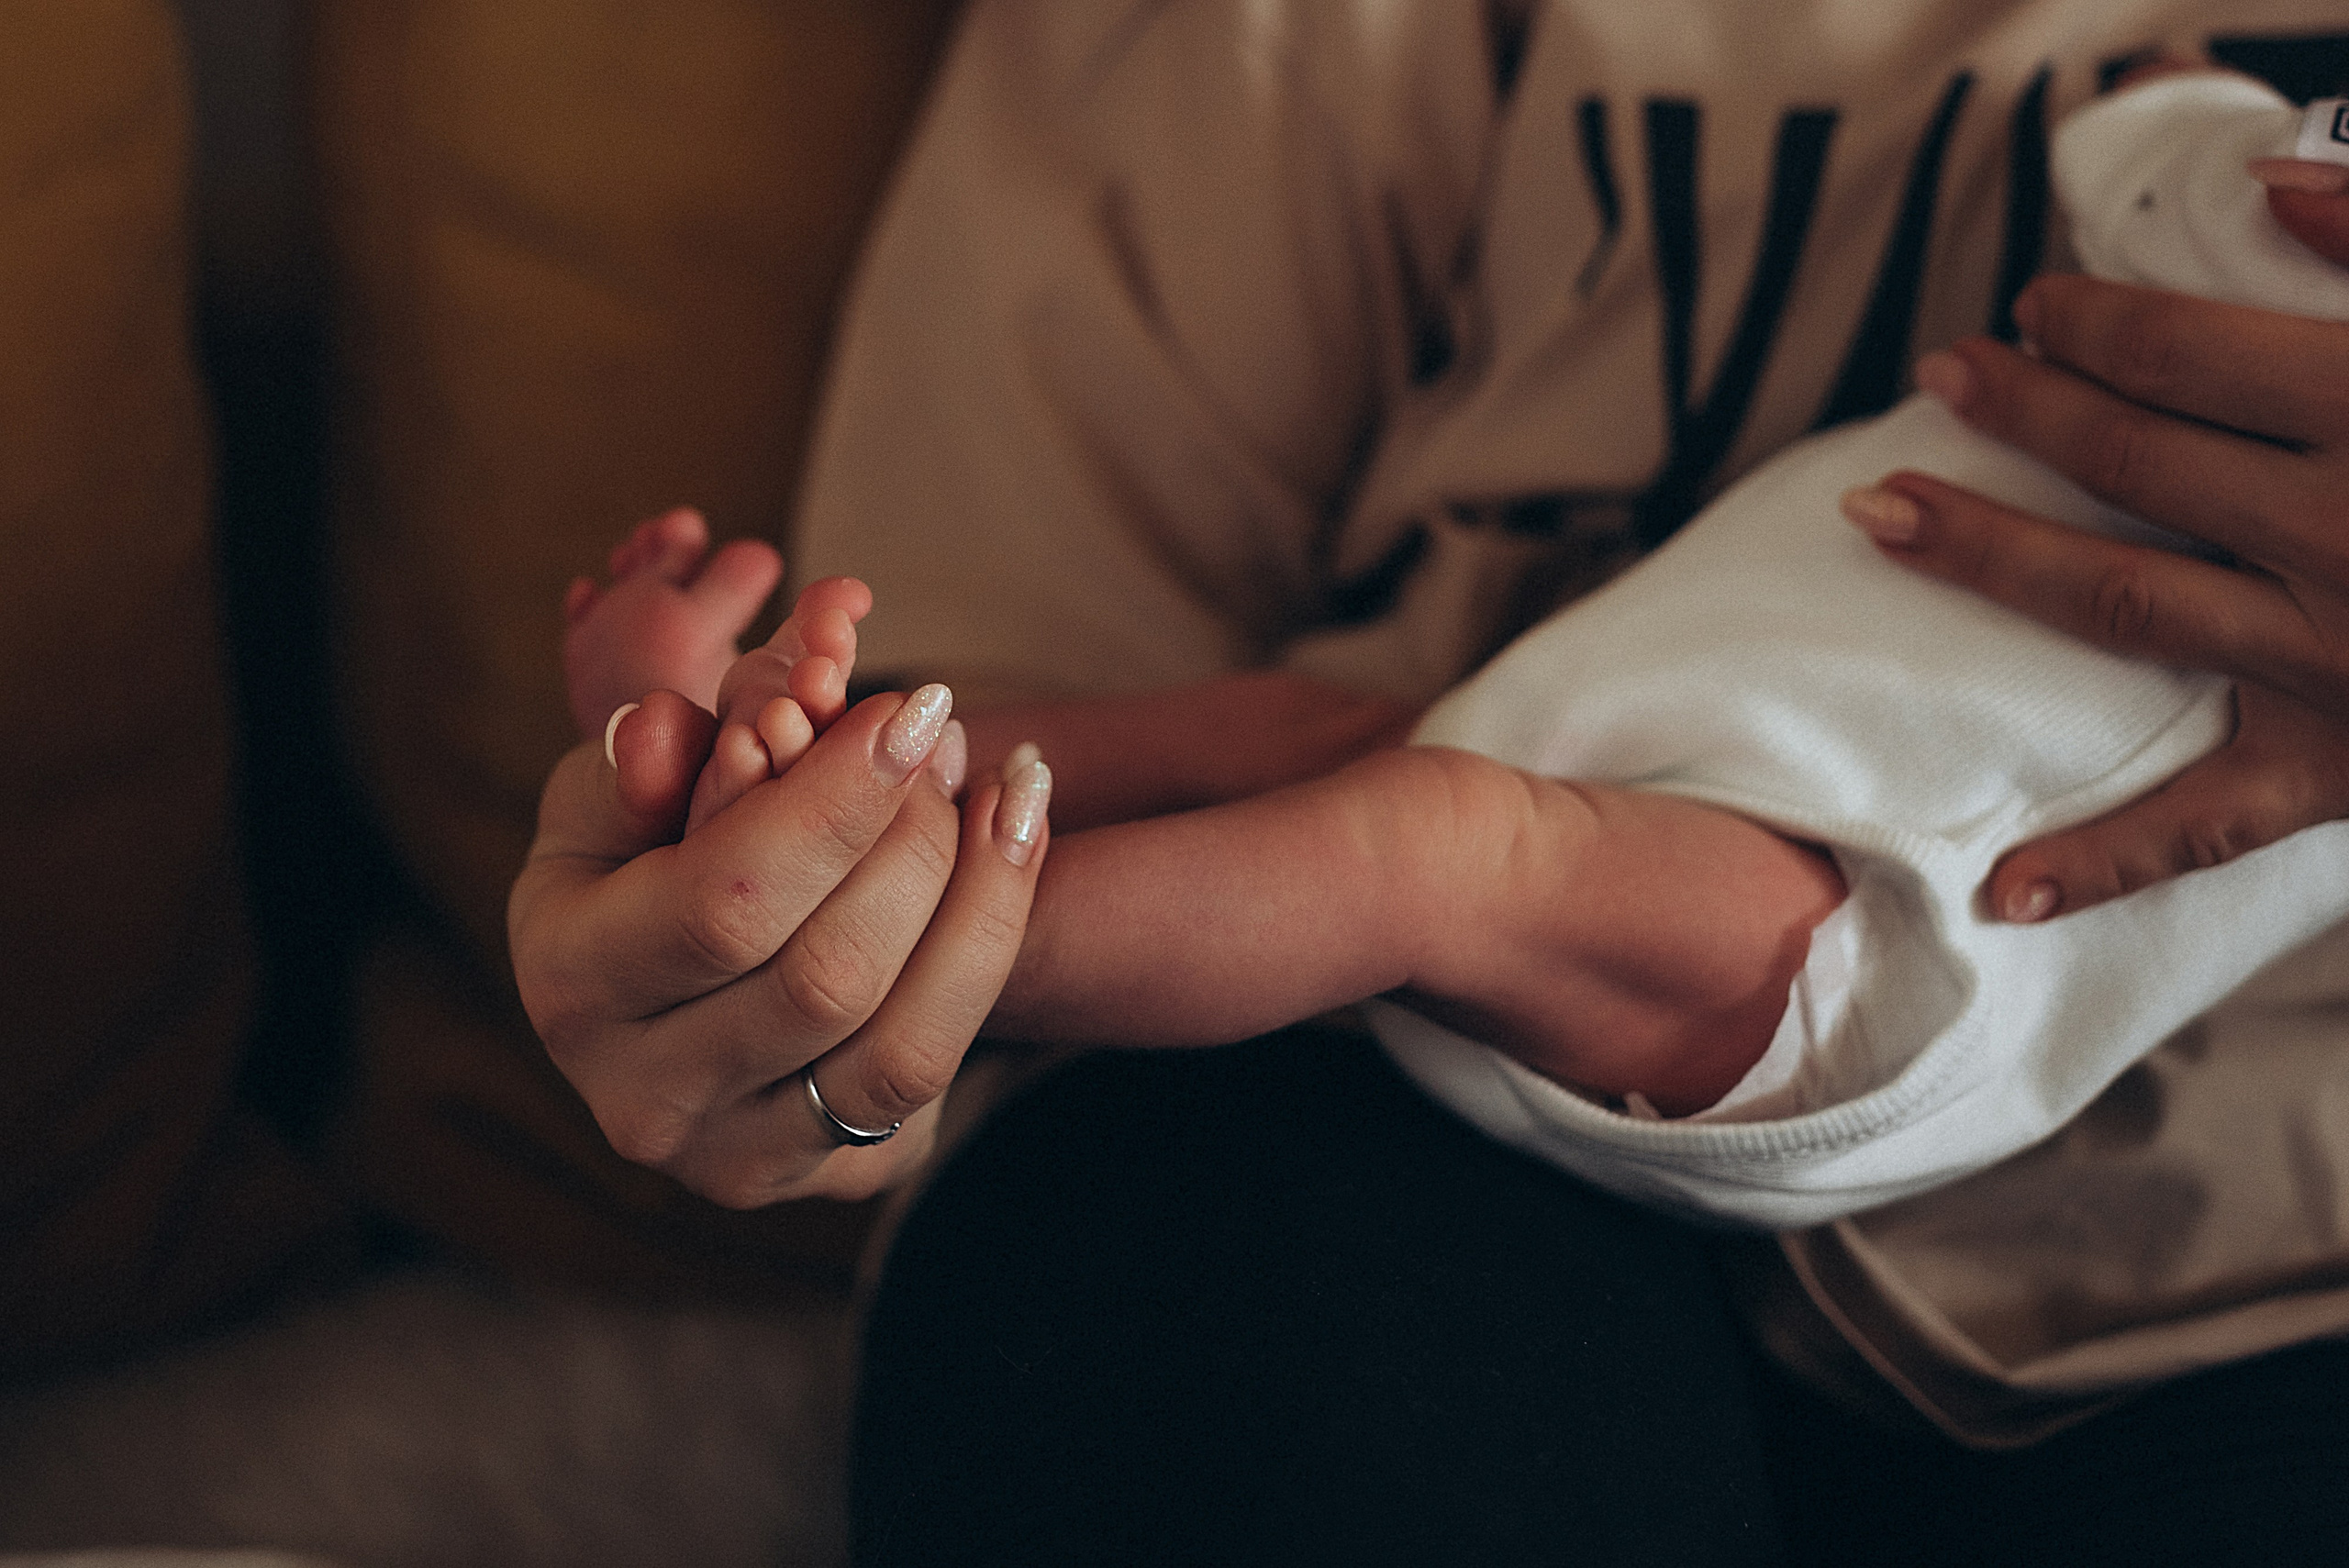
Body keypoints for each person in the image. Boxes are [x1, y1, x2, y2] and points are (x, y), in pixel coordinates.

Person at [508, 3, 2349, 1562]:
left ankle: (898, 879)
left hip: (1945, 956)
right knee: (1337, 786)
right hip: (1434, 1072)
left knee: (1413, 838)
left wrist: (2169, 116)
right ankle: (843, 850)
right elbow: (2181, 150)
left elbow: (2164, 147)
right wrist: (790, 1027)